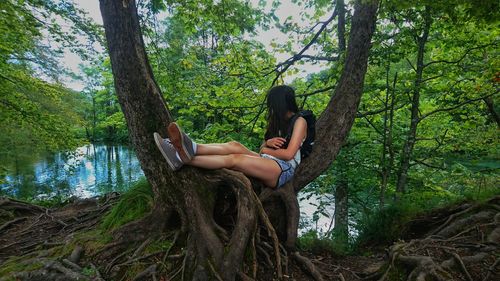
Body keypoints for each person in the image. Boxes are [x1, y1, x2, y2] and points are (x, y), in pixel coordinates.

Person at [154, 85, 307, 188]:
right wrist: (268, 143)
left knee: (235, 159)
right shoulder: (277, 121)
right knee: (235, 145)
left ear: (279, 103)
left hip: (283, 170)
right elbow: (262, 148)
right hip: (270, 161)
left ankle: (181, 159)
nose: (270, 107)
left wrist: (266, 150)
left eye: (271, 103)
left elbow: (288, 154)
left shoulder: (299, 122)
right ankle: (190, 147)